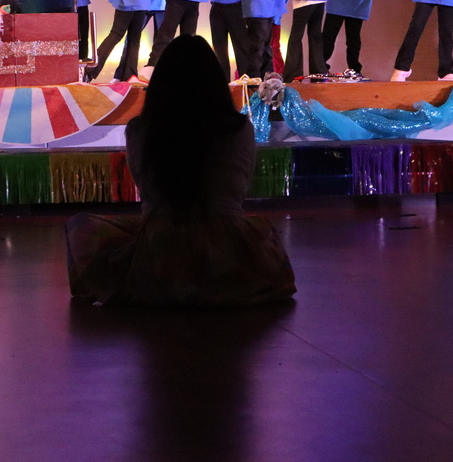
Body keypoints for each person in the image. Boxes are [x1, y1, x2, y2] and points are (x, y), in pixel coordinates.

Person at [65, 35, 297, 307]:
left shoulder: (142, 130)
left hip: (161, 247)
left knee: (81, 227)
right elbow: (239, 187)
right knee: (261, 228)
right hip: (226, 243)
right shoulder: (238, 128)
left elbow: (145, 187)